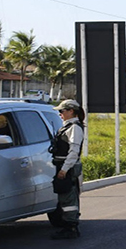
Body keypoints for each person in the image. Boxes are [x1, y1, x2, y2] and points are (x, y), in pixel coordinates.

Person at [50, 99, 85, 239]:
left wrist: (64, 170)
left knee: (68, 198)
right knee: (65, 196)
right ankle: (68, 225)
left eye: (62, 111)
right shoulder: (67, 126)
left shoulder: (74, 128)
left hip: (68, 166)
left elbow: (73, 151)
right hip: (63, 164)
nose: (60, 114)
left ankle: (70, 227)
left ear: (71, 111)